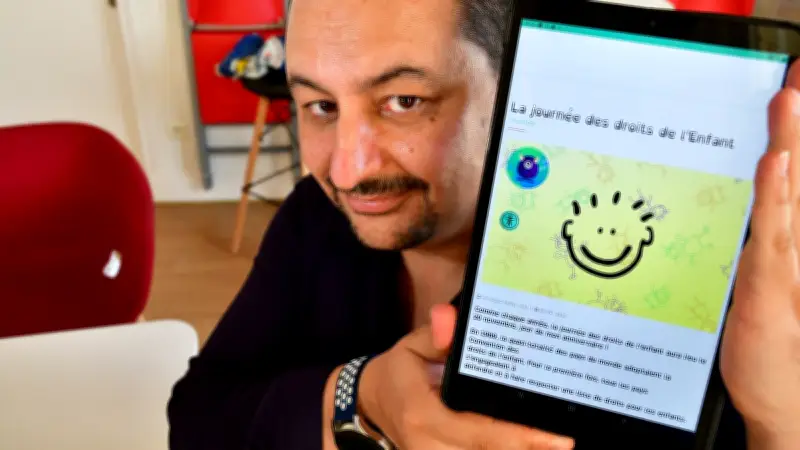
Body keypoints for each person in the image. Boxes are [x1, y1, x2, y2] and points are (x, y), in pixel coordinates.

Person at [167, 0, 800, 448]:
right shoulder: (317, 218)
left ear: (517, 85)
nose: (348, 169)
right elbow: (197, 419)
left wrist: (778, 422)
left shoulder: (682, 278)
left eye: (404, 101)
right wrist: (361, 396)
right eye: (320, 106)